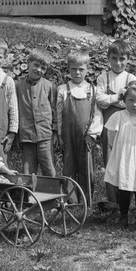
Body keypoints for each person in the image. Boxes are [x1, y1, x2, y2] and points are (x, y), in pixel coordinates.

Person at [56, 50, 103, 206]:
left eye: (81, 69)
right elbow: (58, 114)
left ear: (87, 69)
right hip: (68, 135)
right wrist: (60, 136)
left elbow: (97, 114)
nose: (77, 72)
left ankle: (85, 201)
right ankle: (70, 200)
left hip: (85, 136)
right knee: (68, 166)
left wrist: (92, 134)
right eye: (73, 69)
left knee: (86, 167)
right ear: (68, 69)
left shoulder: (92, 90)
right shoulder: (63, 89)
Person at [96, 39, 136, 203]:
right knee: (110, 159)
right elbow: (100, 99)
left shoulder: (131, 77)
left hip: (128, 122)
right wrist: (117, 97)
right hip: (109, 123)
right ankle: (112, 199)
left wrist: (113, 100)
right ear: (108, 58)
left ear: (128, 59)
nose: (118, 63)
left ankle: (128, 199)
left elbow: (133, 101)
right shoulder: (103, 77)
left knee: (128, 157)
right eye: (114, 58)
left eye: (122, 59)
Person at [105, 81, 136, 231]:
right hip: (124, 156)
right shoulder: (118, 116)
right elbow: (111, 137)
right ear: (125, 100)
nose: (135, 104)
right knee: (124, 187)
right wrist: (118, 151)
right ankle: (123, 215)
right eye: (131, 100)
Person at [14, 49, 59, 177]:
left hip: (45, 135)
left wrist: (55, 131)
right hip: (27, 135)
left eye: (43, 68)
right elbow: (14, 111)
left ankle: (52, 196)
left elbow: (55, 110)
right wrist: (16, 135)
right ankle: (29, 195)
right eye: (36, 65)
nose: (39, 70)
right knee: (28, 171)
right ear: (28, 63)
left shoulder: (50, 86)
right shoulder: (18, 87)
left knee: (49, 168)